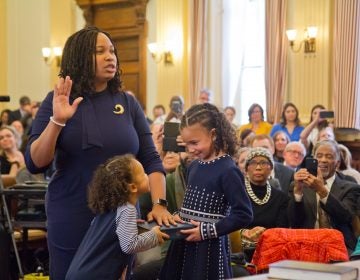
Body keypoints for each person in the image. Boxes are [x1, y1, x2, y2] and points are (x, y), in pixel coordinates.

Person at [25, 26, 173, 279]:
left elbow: (151, 158)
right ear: (81, 57)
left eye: (112, 51)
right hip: (72, 211)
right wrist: (58, 121)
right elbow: (35, 162)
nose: (110, 57)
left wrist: (160, 205)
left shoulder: (127, 103)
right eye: (100, 51)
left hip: (121, 215)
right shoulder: (58, 99)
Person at [159, 103, 253, 280]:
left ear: (213, 134)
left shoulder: (228, 170)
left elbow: (244, 214)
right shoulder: (194, 165)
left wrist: (207, 231)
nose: (191, 149)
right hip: (184, 243)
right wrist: (180, 216)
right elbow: (194, 202)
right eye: (187, 144)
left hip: (209, 248)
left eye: (194, 143)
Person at [66, 154, 168, 280]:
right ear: (133, 187)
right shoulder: (127, 209)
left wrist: (131, 225)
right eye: (143, 174)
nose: (147, 175)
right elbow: (129, 245)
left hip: (80, 272)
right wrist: (154, 235)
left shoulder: (111, 207)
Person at [288, 140, 360, 253]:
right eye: (319, 156)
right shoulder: (299, 184)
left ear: (337, 163)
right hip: (306, 245)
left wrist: (321, 190)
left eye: (329, 156)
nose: (323, 160)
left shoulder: (351, 187)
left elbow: (346, 217)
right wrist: (297, 192)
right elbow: (294, 222)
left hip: (340, 246)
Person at [230, 147, 289, 261]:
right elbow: (231, 224)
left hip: (272, 252)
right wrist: (246, 233)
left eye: (263, 163)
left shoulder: (281, 198)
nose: (258, 167)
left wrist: (265, 236)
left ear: (271, 168)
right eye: (253, 163)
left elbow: (282, 230)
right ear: (246, 169)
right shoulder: (236, 194)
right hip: (241, 254)